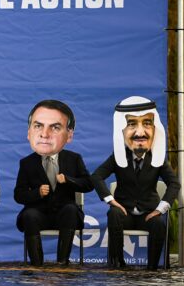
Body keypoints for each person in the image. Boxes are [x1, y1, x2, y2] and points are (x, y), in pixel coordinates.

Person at [90, 96, 180, 270]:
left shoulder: (159, 159)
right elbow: (96, 176)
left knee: (159, 224)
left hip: (148, 214)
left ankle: (152, 269)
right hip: (125, 214)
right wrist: (111, 201)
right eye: (131, 124)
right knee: (113, 214)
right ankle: (118, 265)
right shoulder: (118, 156)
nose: (140, 133)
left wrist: (160, 209)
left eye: (147, 123)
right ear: (121, 131)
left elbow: (174, 183)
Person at [13, 100, 93, 266]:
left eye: (55, 127)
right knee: (29, 215)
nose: (44, 134)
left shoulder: (74, 159)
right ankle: (36, 264)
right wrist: (37, 193)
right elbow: (19, 195)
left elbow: (88, 184)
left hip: (64, 215)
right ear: (29, 133)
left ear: (69, 135)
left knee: (71, 209)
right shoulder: (26, 163)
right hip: (39, 214)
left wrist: (68, 180)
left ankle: (62, 262)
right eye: (38, 126)